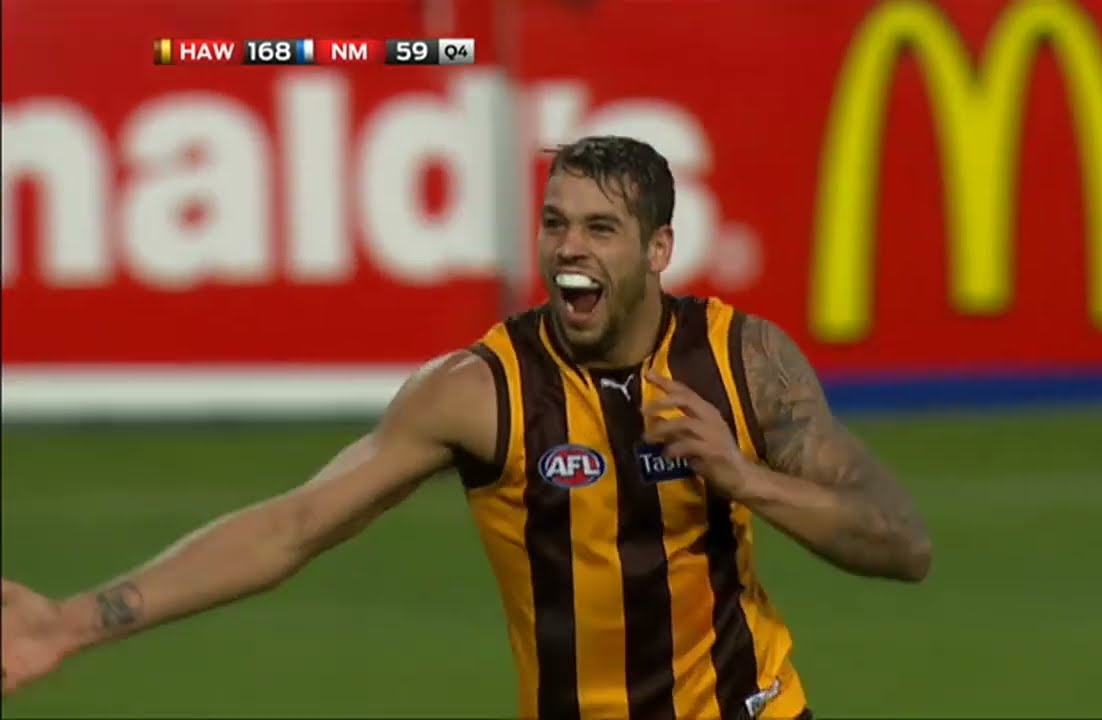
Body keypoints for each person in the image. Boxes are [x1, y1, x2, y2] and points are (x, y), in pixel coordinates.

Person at [0, 136, 931, 719]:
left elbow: (904, 544)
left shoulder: (743, 361)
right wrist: (70, 624)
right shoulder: (478, 391)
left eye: (602, 229)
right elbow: (290, 527)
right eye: (556, 222)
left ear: (657, 251)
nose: (571, 247)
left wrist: (747, 480)